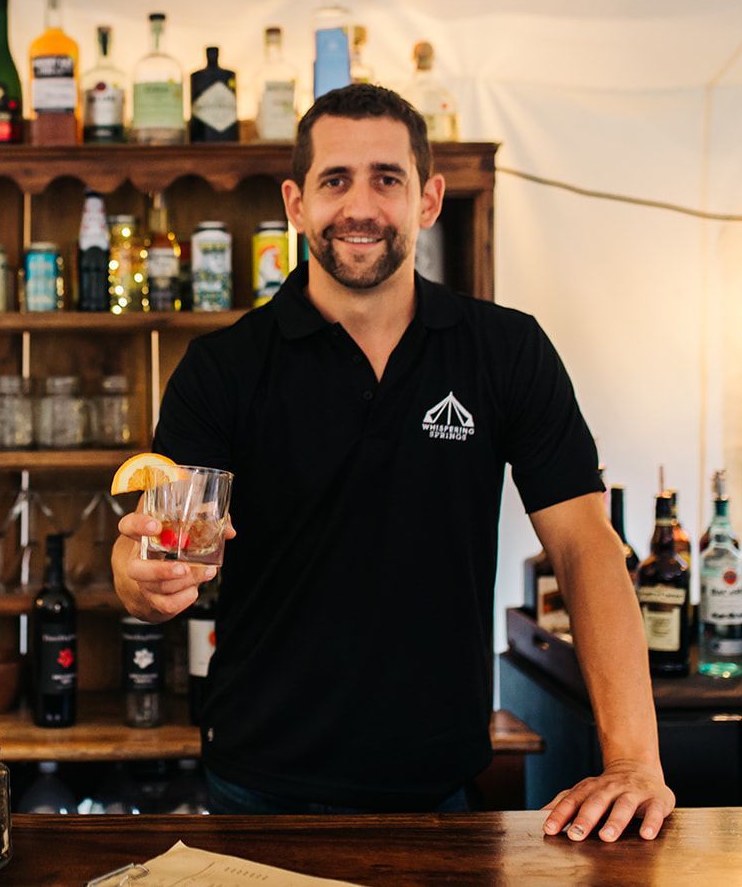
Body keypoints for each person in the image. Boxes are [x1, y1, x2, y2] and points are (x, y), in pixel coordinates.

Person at [112, 83, 674, 841]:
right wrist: (139, 578)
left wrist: (635, 760)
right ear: (296, 202)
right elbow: (156, 551)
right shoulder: (224, 369)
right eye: (335, 180)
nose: (362, 206)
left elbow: (585, 545)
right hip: (259, 786)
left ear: (429, 198)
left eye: (388, 178)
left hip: (439, 786)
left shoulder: (505, 350)